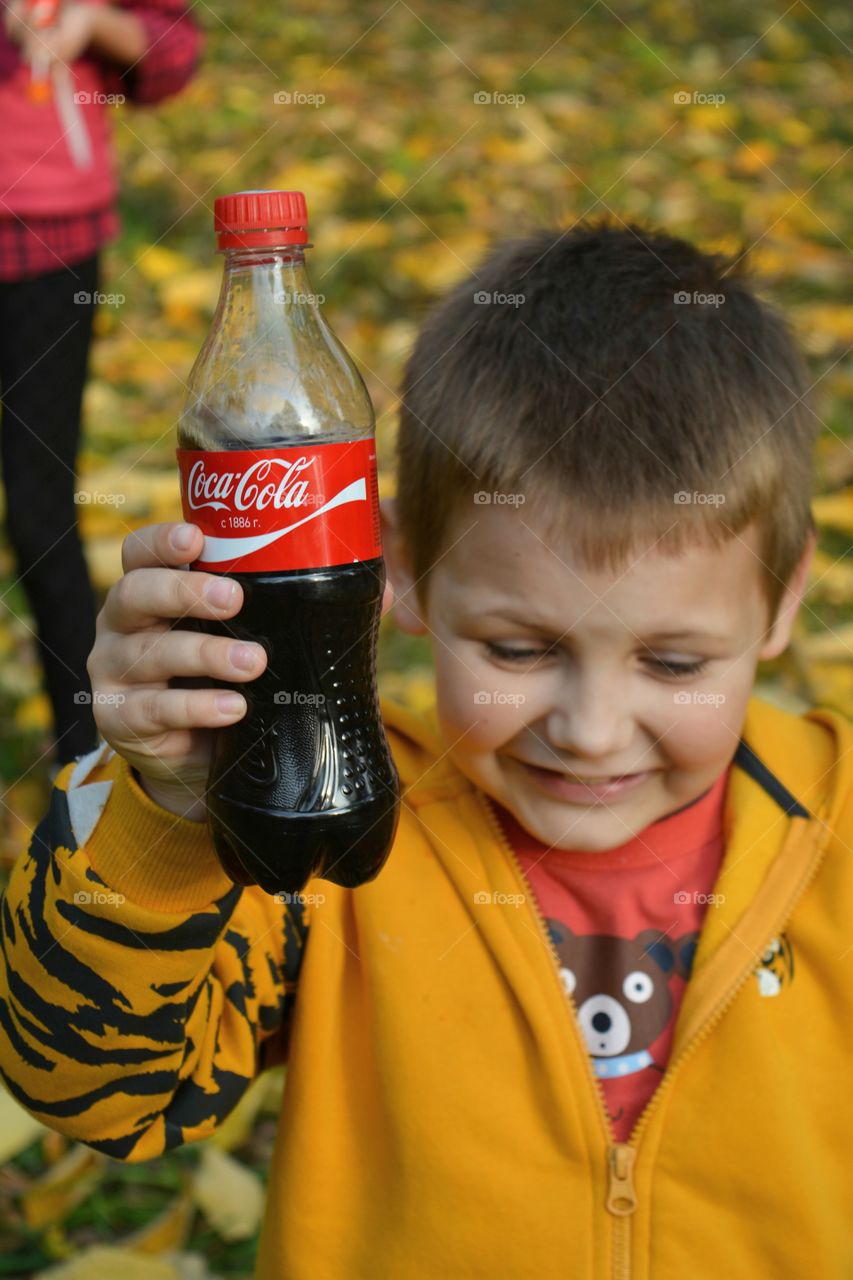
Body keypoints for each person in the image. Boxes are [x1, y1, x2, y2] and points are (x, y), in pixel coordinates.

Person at [1, 220, 851, 1278]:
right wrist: (167, 814)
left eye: (673, 664)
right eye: (519, 646)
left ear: (783, 599)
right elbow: (93, 1093)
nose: (589, 729)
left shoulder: (836, 835)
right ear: (394, 568)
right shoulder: (333, 831)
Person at [0, 0, 202, 769]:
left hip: (48, 241)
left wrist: (92, 23)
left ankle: (85, 750)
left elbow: (175, 51)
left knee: (37, 498)